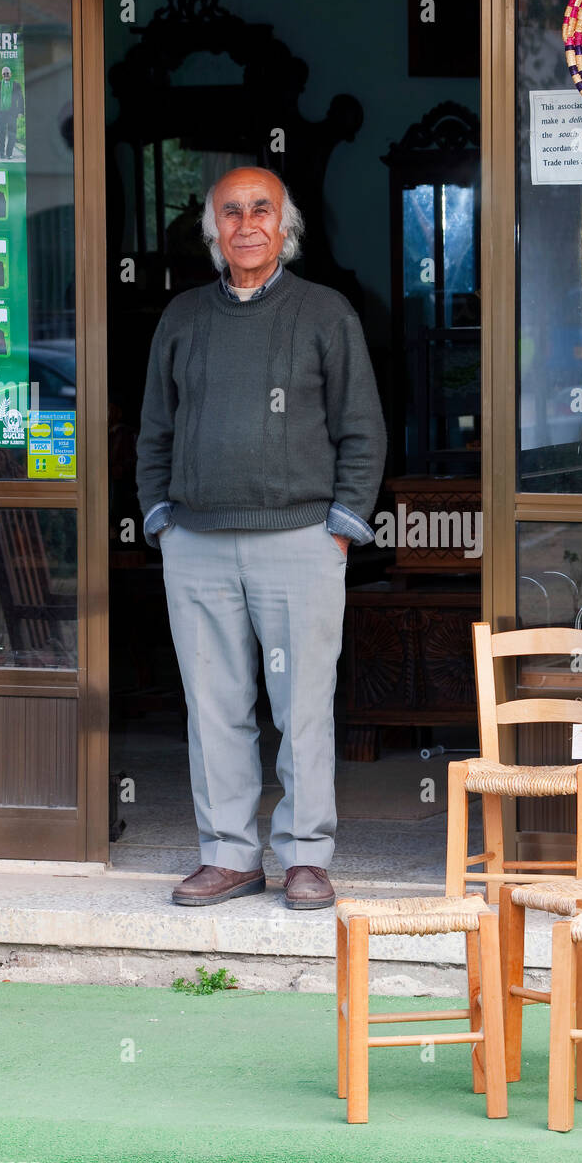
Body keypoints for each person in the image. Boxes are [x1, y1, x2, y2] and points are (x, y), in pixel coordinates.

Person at [136, 166, 386, 910]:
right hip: (197, 542)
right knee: (212, 706)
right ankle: (228, 856)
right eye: (231, 213)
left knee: (302, 706)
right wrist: (159, 517)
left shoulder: (325, 312)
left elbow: (361, 430)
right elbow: (154, 429)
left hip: (300, 540)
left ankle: (305, 857)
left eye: (261, 210)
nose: (246, 224)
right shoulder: (182, 317)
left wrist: (338, 529)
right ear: (213, 231)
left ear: (285, 227)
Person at [0, 65, 24, 160]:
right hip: (0, 113)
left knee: (12, 133)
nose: (6, 75)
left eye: (8, 73)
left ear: (10, 74)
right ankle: (2, 153)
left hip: (12, 113)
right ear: (2, 75)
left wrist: (20, 111)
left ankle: (9, 153)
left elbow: (20, 98)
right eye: (4, 73)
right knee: (1, 134)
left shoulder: (16, 85)